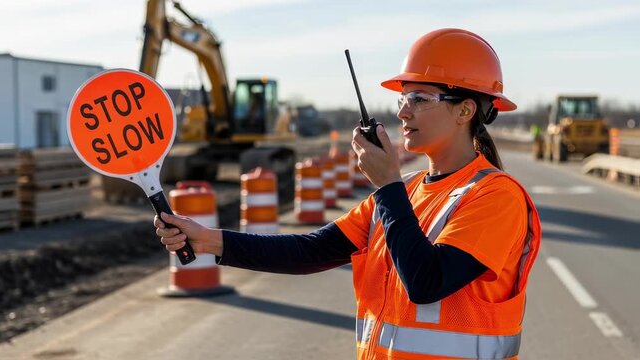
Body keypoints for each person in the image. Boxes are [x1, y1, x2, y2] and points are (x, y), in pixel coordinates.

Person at [155, 28, 541, 359]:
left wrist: (387, 184)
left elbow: (427, 281)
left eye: (420, 99)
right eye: (403, 99)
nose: (404, 112)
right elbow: (311, 251)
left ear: (465, 110)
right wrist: (207, 240)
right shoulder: (404, 191)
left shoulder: (495, 196)